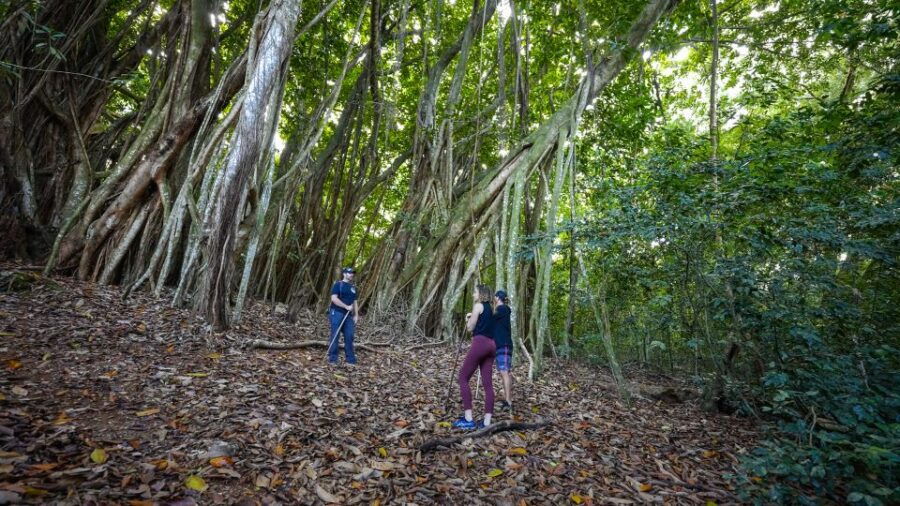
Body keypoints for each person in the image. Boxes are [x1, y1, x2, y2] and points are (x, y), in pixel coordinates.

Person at [453, 284, 496, 430]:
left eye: (475, 292)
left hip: (480, 343)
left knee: (463, 377)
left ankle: (469, 419)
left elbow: (470, 327)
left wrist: (468, 319)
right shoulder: (493, 309)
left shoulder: (478, 306)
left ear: (481, 294)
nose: (473, 294)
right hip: (492, 345)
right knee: (488, 384)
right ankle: (486, 423)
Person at [328, 267, 359, 365]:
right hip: (336, 312)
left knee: (349, 336)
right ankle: (333, 358)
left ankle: (350, 360)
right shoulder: (338, 285)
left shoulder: (353, 287)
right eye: (349, 273)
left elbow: (355, 302)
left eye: (352, 273)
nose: (351, 275)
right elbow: (334, 299)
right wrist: (346, 306)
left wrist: (356, 315)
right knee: (335, 335)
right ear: (344, 274)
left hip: (348, 316)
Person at [492, 290, 513, 411]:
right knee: (505, 372)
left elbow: (489, 316)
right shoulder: (502, 311)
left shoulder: (502, 309)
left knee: (504, 372)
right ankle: (507, 400)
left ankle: (509, 402)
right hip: (502, 344)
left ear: (497, 298)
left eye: (495, 296)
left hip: (503, 344)